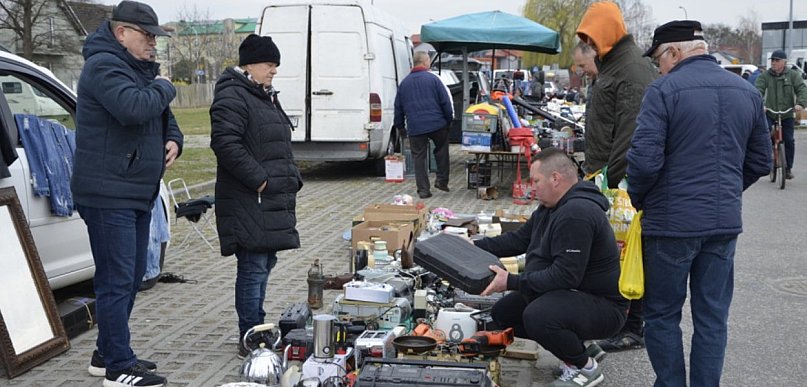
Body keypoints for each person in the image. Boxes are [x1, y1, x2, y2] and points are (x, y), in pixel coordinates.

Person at [627, 20, 771, 387]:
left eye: (658, 58)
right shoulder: (747, 92)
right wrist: (724, 193)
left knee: (661, 316)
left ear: (674, 52)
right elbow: (761, 161)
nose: (657, 66)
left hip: (670, 226)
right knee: (712, 319)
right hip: (722, 227)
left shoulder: (662, 91)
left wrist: (641, 200)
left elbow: (643, 163)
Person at [71, 1, 182, 386]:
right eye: (148, 36)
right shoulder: (104, 66)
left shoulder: (137, 68)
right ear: (123, 33)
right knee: (117, 279)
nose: (154, 43)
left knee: (132, 277)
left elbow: (163, 116)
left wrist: (173, 139)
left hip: (134, 189)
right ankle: (118, 367)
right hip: (107, 192)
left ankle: (106, 353)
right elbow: (135, 108)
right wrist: (167, 85)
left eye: (156, 36)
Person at [478, 148, 628, 387]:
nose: (532, 187)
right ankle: (580, 349)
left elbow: (565, 276)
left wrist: (512, 281)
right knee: (504, 313)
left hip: (605, 307)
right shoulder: (551, 207)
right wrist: (473, 246)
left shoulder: (577, 213)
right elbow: (518, 240)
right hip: (575, 296)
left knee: (538, 315)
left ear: (555, 178)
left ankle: (585, 367)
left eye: (536, 180)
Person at [209, 34, 302, 358]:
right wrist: (261, 181)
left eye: (275, 64)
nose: (273, 70)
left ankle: (257, 329)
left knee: (265, 261)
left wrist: (292, 177)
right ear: (249, 63)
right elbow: (225, 144)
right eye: (268, 64)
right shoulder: (234, 96)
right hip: (250, 199)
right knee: (253, 266)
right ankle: (250, 334)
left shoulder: (262, 95)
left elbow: (275, 142)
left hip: (269, 200)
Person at [576, 1, 657, 352]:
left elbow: (631, 133)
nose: (590, 47)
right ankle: (620, 321)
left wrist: (612, 184)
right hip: (605, 176)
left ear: (607, 32)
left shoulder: (632, 71)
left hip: (620, 182)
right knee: (615, 254)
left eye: (592, 40)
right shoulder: (613, 66)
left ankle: (632, 326)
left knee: (628, 255)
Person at [393, 51, 453, 199]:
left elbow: (398, 108)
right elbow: (445, 102)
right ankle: (442, 180)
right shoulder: (433, 80)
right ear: (426, 62)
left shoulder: (404, 84)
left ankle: (424, 190)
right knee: (442, 149)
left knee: (418, 157)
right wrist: (449, 120)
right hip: (437, 124)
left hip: (415, 127)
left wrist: (401, 127)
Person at [755, 50, 807, 179]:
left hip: (787, 113)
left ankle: (788, 168)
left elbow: (802, 89)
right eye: (772, 60)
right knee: (765, 134)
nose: (774, 63)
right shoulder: (765, 76)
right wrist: (761, 104)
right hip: (769, 112)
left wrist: (800, 104)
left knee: (789, 140)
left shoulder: (793, 75)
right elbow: (757, 90)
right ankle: (767, 161)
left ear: (784, 62)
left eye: (777, 60)